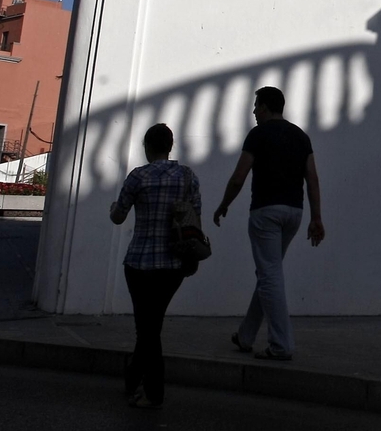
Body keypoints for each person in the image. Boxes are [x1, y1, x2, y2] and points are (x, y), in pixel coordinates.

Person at [213, 85, 324, 360]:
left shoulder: (258, 134)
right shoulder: (301, 136)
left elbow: (239, 177)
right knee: (268, 273)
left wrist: (224, 204)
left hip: (266, 213)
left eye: (255, 106)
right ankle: (246, 335)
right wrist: (316, 217)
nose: (253, 111)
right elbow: (312, 178)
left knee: (270, 275)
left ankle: (281, 344)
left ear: (264, 107)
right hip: (294, 213)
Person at [109, 123, 201, 409]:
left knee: (147, 329)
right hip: (174, 263)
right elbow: (195, 217)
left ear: (147, 147)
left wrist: (113, 207)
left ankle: (153, 392)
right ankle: (133, 377)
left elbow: (118, 217)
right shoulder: (187, 176)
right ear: (170, 146)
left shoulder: (138, 176)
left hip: (139, 263)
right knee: (151, 326)